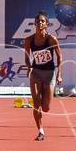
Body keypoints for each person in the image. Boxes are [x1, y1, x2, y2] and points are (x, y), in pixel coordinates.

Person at [24, 11, 63, 141]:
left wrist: (59, 75)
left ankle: (42, 105)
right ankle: (40, 131)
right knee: (36, 103)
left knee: (46, 107)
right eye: (37, 21)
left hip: (49, 73)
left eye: (42, 21)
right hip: (36, 73)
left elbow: (59, 57)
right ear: (34, 23)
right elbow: (26, 58)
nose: (39, 23)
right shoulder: (29, 40)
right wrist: (29, 68)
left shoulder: (52, 39)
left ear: (47, 24)